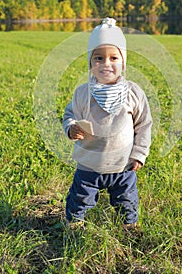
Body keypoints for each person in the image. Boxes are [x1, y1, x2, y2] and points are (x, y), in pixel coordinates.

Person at [63, 17, 152, 228]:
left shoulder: (133, 93)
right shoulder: (83, 93)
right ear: (90, 62)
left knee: (126, 199)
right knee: (80, 198)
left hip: (123, 165)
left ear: (123, 62)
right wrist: (71, 127)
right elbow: (69, 115)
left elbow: (143, 125)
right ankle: (74, 223)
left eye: (114, 58)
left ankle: (128, 226)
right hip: (89, 164)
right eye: (99, 58)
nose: (106, 64)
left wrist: (139, 154)